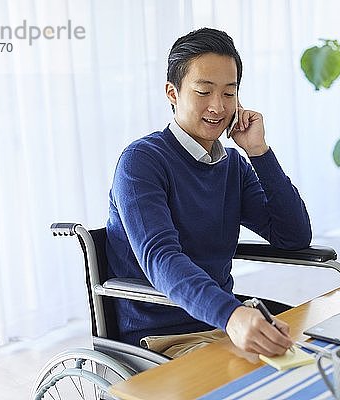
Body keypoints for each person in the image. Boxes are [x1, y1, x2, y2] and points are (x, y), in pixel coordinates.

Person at [106, 27, 312, 359]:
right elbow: (162, 258)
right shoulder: (141, 162)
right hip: (163, 334)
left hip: (219, 322)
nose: (218, 107)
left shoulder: (232, 165)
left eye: (229, 94)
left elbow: (294, 236)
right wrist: (232, 314)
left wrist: (258, 152)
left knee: (318, 349)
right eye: (203, 91)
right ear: (172, 93)